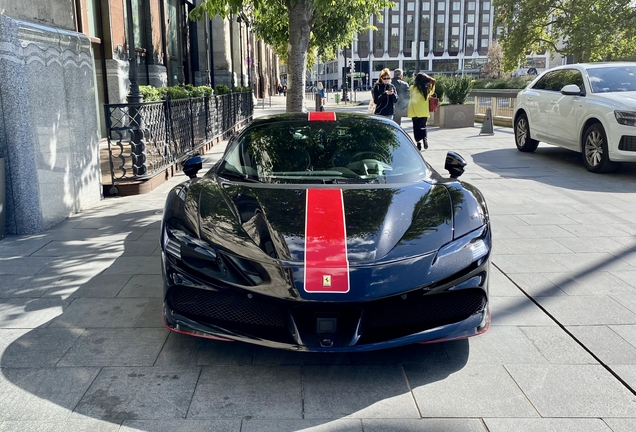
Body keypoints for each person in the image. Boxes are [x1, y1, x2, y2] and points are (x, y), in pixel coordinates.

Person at [407, 72, 436, 151]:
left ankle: (418, 143)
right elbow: (433, 83)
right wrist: (431, 80)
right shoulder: (427, 89)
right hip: (423, 111)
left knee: (416, 128)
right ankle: (424, 138)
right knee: (423, 126)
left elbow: (408, 96)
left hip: (414, 111)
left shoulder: (412, 88)